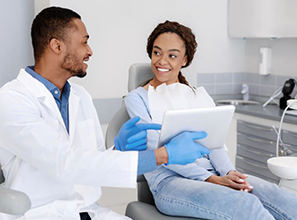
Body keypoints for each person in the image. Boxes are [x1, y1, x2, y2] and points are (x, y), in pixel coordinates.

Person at [0, 8, 210, 220]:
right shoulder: (12, 100)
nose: (89, 51)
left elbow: (92, 163)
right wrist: (162, 155)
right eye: (83, 42)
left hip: (90, 211)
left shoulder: (80, 96)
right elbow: (65, 162)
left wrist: (118, 150)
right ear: (57, 45)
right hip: (41, 214)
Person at [124, 20, 297, 220]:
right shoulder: (137, 99)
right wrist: (211, 179)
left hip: (213, 173)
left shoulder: (197, 96)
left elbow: (214, 144)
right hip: (170, 182)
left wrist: (229, 173)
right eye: (157, 52)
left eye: (172, 55)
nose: (162, 61)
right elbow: (158, 150)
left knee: (281, 198)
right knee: (244, 204)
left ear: (185, 60)